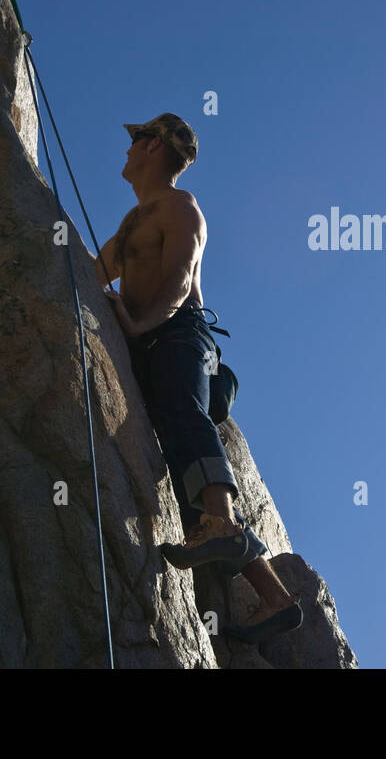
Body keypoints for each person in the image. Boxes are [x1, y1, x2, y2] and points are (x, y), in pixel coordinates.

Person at [96, 112, 302, 644]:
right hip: (153, 344)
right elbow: (94, 271)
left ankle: (223, 523)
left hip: (181, 336)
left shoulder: (180, 206)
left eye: (135, 138)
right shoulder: (131, 224)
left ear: (156, 145)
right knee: (190, 475)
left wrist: (140, 322)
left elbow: (183, 278)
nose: (126, 149)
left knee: (185, 416)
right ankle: (275, 599)